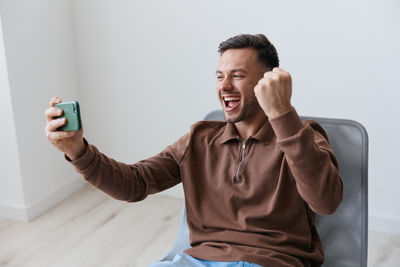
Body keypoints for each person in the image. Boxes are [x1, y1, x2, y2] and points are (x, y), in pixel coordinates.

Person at [44, 34, 343, 267]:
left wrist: (282, 114)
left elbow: (325, 201)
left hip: (271, 262)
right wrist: (78, 150)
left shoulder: (303, 135)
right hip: (197, 261)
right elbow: (134, 183)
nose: (224, 86)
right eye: (218, 76)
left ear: (268, 83)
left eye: (237, 75)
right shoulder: (199, 138)